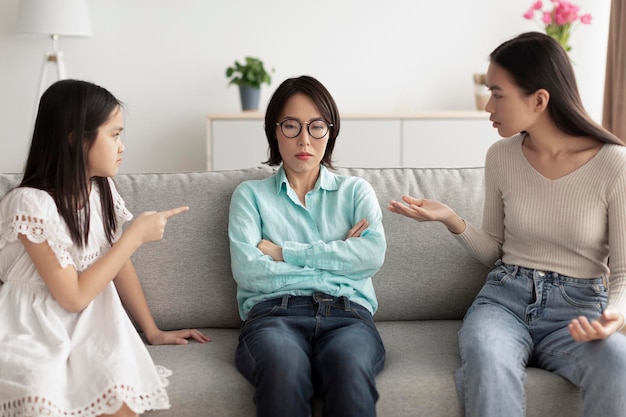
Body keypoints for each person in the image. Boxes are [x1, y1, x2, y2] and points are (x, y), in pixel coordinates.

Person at [388, 31, 626, 417]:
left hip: (579, 309)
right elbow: (496, 250)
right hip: (505, 301)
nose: (488, 106)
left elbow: (624, 271)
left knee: (618, 362)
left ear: (539, 99)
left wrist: (613, 315)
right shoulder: (501, 156)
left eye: (497, 93)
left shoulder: (614, 164)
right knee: (488, 359)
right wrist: (451, 219)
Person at [0, 79, 210, 417]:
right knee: (40, 390)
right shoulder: (30, 203)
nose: (122, 146)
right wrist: (135, 236)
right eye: (114, 135)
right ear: (76, 139)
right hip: (33, 324)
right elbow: (72, 296)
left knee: (117, 395)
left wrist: (152, 330)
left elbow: (118, 264)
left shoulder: (103, 192)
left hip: (91, 324)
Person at [228, 75, 387, 417]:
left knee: (349, 371)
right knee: (283, 371)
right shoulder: (249, 196)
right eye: (291, 126)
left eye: (316, 126)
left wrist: (284, 252)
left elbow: (371, 257)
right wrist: (338, 252)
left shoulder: (356, 192)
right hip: (273, 317)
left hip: (348, 316)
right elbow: (250, 272)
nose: (304, 139)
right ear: (274, 130)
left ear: (330, 132)